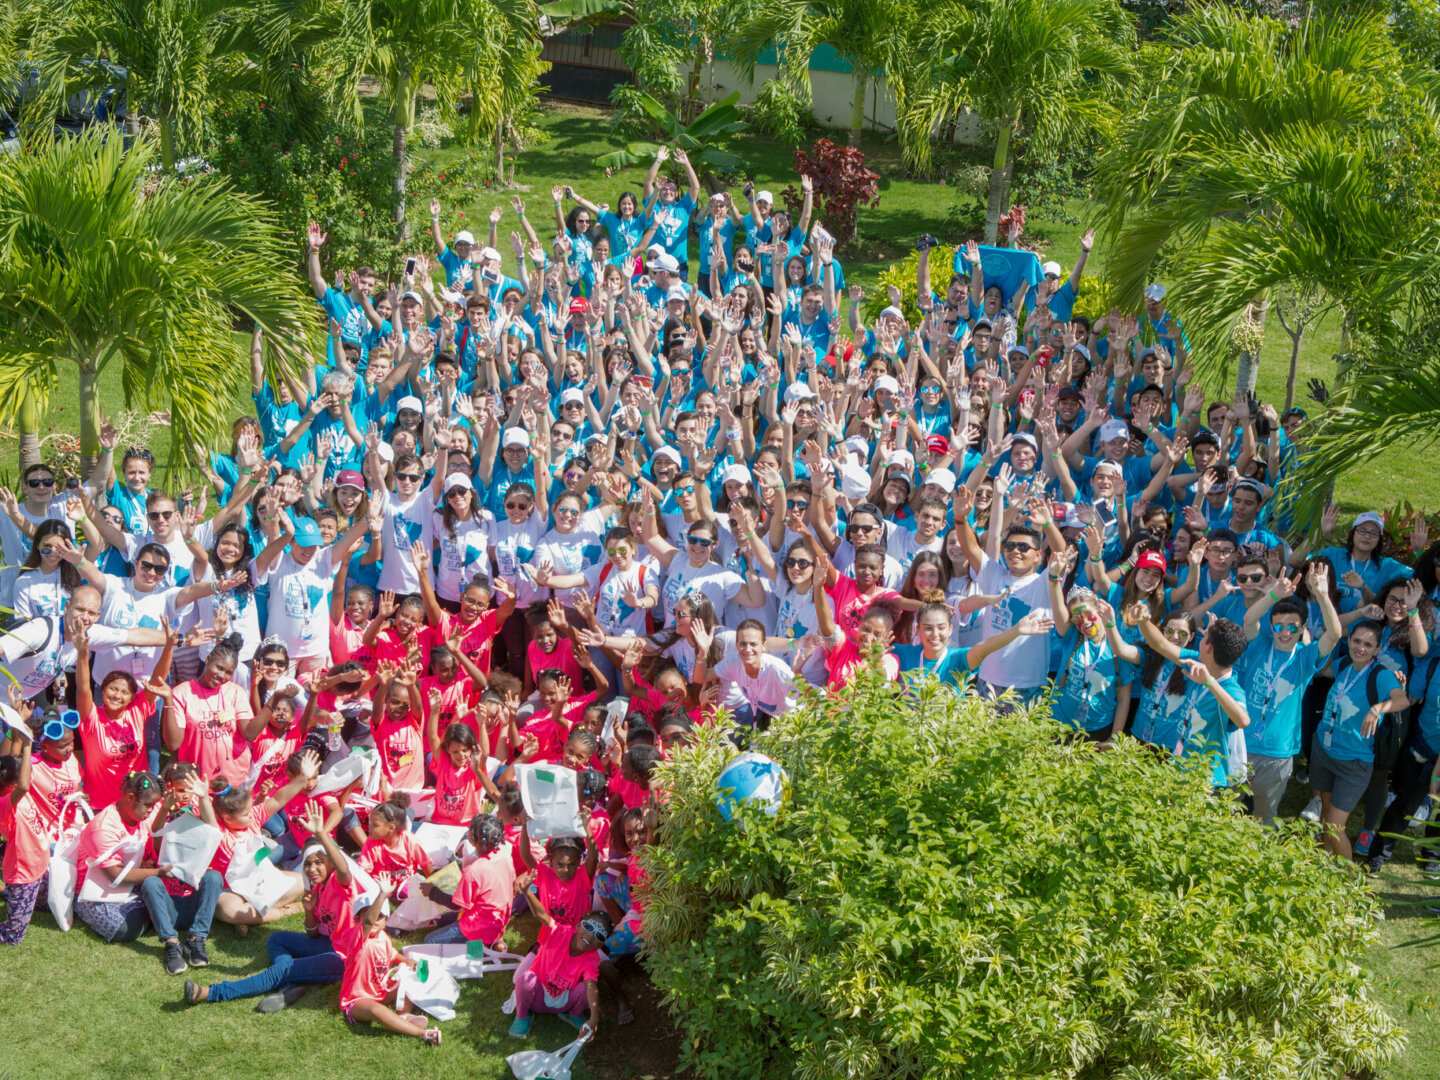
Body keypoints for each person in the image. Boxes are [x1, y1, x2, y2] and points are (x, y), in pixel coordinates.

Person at [183, 801, 360, 1011]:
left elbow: (343, 867)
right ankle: (289, 987)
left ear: (330, 862)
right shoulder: (317, 889)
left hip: (343, 957)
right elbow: (313, 934)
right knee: (277, 939)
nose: (312, 868)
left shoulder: (341, 883)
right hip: (325, 942)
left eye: (319, 862)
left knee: (281, 970)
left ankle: (212, 992)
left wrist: (321, 834)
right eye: (308, 863)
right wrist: (310, 912)